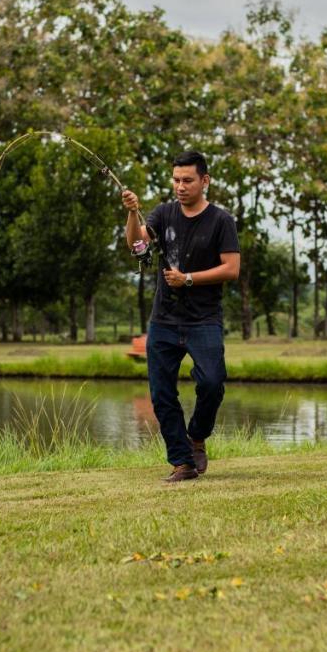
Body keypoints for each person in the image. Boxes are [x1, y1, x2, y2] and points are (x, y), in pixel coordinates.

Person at [122, 150, 240, 483]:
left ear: (205, 180)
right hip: (164, 319)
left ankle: (197, 436)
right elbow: (137, 246)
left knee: (212, 382)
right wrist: (133, 214)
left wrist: (189, 278)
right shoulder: (162, 214)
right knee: (161, 393)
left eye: (187, 180)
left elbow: (232, 269)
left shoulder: (221, 221)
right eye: (175, 180)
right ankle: (182, 462)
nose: (180, 186)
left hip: (204, 319)